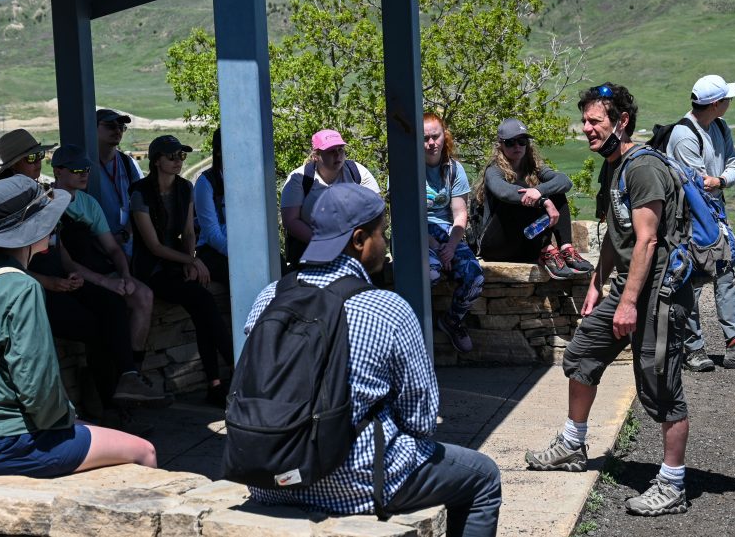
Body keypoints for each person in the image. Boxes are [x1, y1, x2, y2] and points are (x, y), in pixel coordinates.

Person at [246, 184, 501, 535]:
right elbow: (421, 420)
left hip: (268, 475)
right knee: (483, 478)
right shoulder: (386, 308)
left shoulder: (269, 297)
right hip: (355, 481)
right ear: (359, 239)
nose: (385, 242)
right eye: (382, 232)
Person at [527, 84, 694, 517]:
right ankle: (572, 444)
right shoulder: (612, 166)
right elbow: (613, 235)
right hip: (626, 288)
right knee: (581, 356)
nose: (586, 129)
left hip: (659, 293)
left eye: (594, 121)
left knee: (661, 385)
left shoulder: (643, 170)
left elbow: (647, 240)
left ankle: (673, 483)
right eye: (584, 121)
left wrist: (629, 304)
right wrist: (599, 286)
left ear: (621, 121)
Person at [0, 176, 157, 477]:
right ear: (32, 229)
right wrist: (68, 419)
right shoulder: (22, 287)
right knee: (144, 450)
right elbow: (37, 386)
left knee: (90, 430)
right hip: (6, 442)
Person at [666, 75, 735, 371]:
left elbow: (733, 166)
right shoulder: (684, 135)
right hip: (690, 217)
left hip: (714, 212)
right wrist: (715, 183)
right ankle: (693, 348)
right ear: (715, 104)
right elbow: (695, 185)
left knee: (725, 272)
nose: (730, 103)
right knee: (690, 277)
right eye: (727, 99)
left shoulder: (720, 126)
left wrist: (721, 180)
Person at [129, 135, 234, 407]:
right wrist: (191, 262)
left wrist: (190, 260)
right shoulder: (140, 193)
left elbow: (188, 232)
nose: (178, 161)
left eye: (182, 156)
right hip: (150, 268)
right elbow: (152, 245)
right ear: (156, 161)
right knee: (203, 300)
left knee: (203, 308)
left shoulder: (185, 188)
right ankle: (240, 371)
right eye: (172, 156)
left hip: (175, 264)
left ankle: (215, 384)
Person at [50, 144, 157, 377]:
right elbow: (64, 259)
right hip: (72, 278)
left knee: (144, 295)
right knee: (109, 308)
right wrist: (107, 282)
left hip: (99, 271)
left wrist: (126, 276)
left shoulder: (88, 204)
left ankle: (134, 372)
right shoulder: (47, 204)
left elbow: (113, 248)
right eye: (76, 170)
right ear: (58, 171)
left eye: (86, 169)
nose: (84, 174)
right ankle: (121, 374)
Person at [472, 119, 594, 280]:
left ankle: (566, 248)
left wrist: (539, 191)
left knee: (555, 191)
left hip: (524, 244)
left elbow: (564, 181)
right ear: (500, 145)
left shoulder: (534, 167)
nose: (517, 146)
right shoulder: (493, 171)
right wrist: (543, 201)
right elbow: (504, 192)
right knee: (519, 192)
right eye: (510, 142)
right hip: (496, 246)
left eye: (522, 141)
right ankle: (546, 249)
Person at [421, 113, 483, 353]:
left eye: (435, 136)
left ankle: (452, 320)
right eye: (425, 138)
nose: (431, 143)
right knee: (430, 273)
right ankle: (414, 326)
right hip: (417, 233)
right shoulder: (406, 168)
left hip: (448, 232)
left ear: (443, 136)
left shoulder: (454, 170)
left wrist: (450, 246)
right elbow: (407, 217)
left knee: (474, 276)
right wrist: (437, 248)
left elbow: (459, 213)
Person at [280, 129, 380, 268]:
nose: (337, 155)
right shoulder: (299, 179)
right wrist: (327, 245)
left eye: (340, 149)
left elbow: (375, 211)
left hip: (354, 248)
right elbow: (290, 221)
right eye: (330, 151)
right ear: (316, 155)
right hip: (311, 251)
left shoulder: (357, 173)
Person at [95, 109, 143, 258]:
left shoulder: (128, 163)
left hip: (128, 244)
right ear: (92, 127)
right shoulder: (84, 166)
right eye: (110, 126)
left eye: (121, 127)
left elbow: (140, 204)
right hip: (96, 247)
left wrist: (125, 233)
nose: (117, 131)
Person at [193, 128, 228, 284]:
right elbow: (212, 233)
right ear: (218, 151)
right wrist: (239, 255)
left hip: (245, 247)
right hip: (212, 249)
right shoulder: (206, 183)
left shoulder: (250, 178)